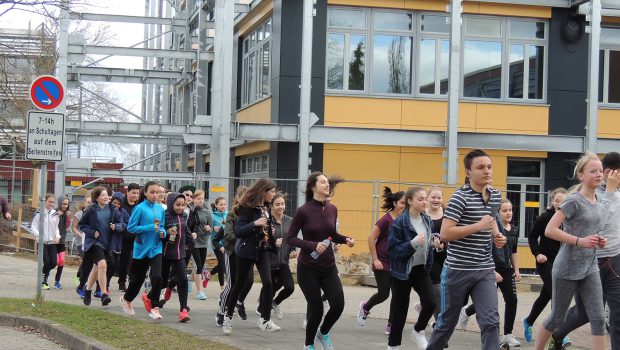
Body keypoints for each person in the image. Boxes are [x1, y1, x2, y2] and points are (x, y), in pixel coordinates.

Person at [535, 152, 619, 350]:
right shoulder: (573, 201)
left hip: (590, 267)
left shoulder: (598, 199)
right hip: (567, 267)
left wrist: (598, 240)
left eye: (600, 171)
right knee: (557, 317)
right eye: (593, 171)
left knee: (598, 318)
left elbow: (594, 227)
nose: (599, 174)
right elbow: (550, 230)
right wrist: (581, 241)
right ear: (581, 176)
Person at [426, 149, 506, 350]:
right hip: (457, 270)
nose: (487, 171)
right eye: (480, 167)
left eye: (489, 167)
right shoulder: (459, 198)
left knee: (491, 322)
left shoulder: (495, 196)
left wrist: (497, 236)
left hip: (484, 269)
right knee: (446, 323)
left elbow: (491, 219)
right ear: (468, 172)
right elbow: (445, 234)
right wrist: (478, 227)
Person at [287, 172, 355, 350]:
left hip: (329, 266)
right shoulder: (303, 211)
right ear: (313, 187)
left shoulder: (332, 209)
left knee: (338, 304)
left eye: (327, 182)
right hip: (308, 268)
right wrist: (312, 245)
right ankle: (308, 345)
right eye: (323, 182)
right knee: (316, 309)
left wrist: (346, 239)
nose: (327, 185)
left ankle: (323, 332)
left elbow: (332, 234)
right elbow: (291, 238)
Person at [456, 199, 521, 347]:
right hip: (490, 268)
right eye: (504, 210)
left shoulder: (514, 229)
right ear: (498, 213)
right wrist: (492, 271)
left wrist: (516, 269)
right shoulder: (492, 230)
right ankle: (466, 311)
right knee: (489, 303)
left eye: (510, 210)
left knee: (512, 300)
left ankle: (507, 335)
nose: (508, 213)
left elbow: (514, 252)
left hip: (506, 269)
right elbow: (485, 251)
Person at [222, 178, 280, 334]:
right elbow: (239, 231)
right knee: (239, 284)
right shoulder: (245, 208)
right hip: (246, 251)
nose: (273, 195)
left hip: (262, 250)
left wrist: (270, 231)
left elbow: (264, 229)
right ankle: (227, 316)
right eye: (272, 191)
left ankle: (265, 320)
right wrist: (255, 223)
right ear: (263, 191)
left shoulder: (267, 208)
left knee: (268, 283)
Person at [386, 187, 437, 350]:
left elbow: (427, 242)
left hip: (421, 269)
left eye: (425, 199)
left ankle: (418, 331)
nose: (424, 202)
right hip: (402, 272)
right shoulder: (399, 223)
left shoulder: (427, 220)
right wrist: (412, 244)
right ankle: (393, 346)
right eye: (420, 199)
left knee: (430, 302)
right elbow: (392, 251)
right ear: (409, 201)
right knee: (400, 310)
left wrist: (434, 244)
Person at [521, 188, 570, 346]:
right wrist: (537, 254)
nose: (559, 204)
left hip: (560, 262)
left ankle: (528, 321)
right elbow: (532, 236)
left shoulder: (569, 218)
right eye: (557, 201)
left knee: (546, 296)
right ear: (552, 202)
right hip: (544, 261)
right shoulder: (545, 217)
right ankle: (559, 332)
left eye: (562, 202)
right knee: (557, 293)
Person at [357, 186, 405, 335]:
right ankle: (365, 307)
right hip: (382, 261)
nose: (405, 206)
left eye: (407, 203)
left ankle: (391, 324)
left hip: (398, 262)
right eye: (403, 203)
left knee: (397, 296)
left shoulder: (406, 219)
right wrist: (375, 259)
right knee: (384, 294)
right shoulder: (386, 219)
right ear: (395, 203)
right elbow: (371, 237)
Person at [119, 181, 167, 320]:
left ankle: (154, 306)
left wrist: (163, 232)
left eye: (157, 192)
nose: (155, 195)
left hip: (156, 247)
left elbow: (161, 226)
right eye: (152, 192)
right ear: (145, 193)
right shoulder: (139, 208)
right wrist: (149, 227)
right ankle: (126, 299)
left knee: (157, 276)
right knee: (137, 281)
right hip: (141, 248)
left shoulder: (160, 209)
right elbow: (131, 228)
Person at [78, 187, 124, 306]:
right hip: (94, 243)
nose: (106, 197)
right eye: (103, 195)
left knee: (97, 267)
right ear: (97, 197)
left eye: (107, 195)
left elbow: (122, 224)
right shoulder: (91, 209)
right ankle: (104, 294)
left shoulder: (113, 209)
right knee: (103, 265)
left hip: (107, 244)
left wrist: (116, 227)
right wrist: (92, 232)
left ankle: (87, 290)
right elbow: (82, 224)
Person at [216, 186, 254, 327]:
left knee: (249, 280)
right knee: (232, 284)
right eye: (244, 197)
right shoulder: (232, 214)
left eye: (249, 198)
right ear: (238, 199)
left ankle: (239, 302)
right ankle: (221, 311)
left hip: (246, 253)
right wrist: (243, 239)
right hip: (232, 252)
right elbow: (227, 235)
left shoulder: (252, 214)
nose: (247, 201)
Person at [160, 192, 194, 322]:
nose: (180, 208)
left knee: (183, 279)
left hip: (179, 254)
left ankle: (183, 309)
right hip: (165, 253)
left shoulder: (184, 216)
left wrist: (191, 242)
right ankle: (152, 297)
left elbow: (185, 230)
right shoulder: (165, 215)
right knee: (162, 280)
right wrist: (167, 234)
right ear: (170, 204)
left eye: (182, 205)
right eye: (177, 205)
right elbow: (160, 232)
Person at [268, 192, 295, 320]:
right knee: (269, 289)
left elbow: (292, 238)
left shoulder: (290, 220)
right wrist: (274, 242)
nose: (280, 207)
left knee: (290, 287)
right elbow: (261, 239)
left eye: (282, 204)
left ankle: (275, 302)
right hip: (269, 261)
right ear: (272, 206)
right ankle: (264, 316)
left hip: (283, 261)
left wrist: (293, 249)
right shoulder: (268, 220)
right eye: (277, 204)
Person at [187, 189, 212, 300]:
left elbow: (211, 228)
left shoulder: (207, 212)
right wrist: (190, 234)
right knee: (198, 266)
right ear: (193, 199)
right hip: (193, 243)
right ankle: (200, 292)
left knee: (200, 266)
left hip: (203, 242)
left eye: (202, 198)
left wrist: (209, 228)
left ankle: (189, 279)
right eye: (198, 198)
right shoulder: (190, 211)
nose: (201, 200)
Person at [32, 193, 60, 290]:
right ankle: (44, 281)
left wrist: (57, 236)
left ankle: (43, 274)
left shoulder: (55, 214)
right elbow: (33, 226)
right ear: (45, 202)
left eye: (53, 202)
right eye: (49, 202)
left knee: (53, 263)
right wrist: (39, 236)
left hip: (52, 242)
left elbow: (56, 228)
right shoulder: (39, 213)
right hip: (42, 242)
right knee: (47, 262)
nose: (51, 204)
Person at [118, 183, 140, 292]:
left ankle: (132, 280)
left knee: (134, 260)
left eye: (137, 193)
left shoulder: (138, 206)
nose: (135, 195)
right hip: (124, 237)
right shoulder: (122, 204)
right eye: (133, 193)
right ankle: (121, 282)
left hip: (136, 237)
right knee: (124, 260)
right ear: (128, 192)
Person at [107, 192, 129, 291]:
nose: (116, 205)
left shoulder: (123, 212)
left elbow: (127, 224)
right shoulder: (107, 210)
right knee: (110, 263)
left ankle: (107, 282)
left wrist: (117, 227)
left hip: (118, 242)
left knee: (115, 265)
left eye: (118, 203)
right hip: (108, 241)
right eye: (114, 203)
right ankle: (104, 284)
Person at [73, 194, 92, 297]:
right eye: (88, 202)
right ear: (84, 203)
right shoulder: (79, 214)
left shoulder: (94, 213)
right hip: (81, 242)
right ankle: (82, 282)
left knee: (87, 262)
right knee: (86, 261)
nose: (89, 204)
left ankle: (80, 277)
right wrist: (81, 235)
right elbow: (74, 228)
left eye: (91, 202)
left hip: (90, 242)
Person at [209, 197, 228, 291]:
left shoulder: (228, 214)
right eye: (221, 204)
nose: (223, 206)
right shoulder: (212, 216)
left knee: (221, 263)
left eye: (224, 204)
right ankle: (222, 288)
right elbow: (208, 229)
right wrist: (213, 229)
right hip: (216, 243)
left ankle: (209, 274)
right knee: (222, 262)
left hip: (226, 243)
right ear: (216, 205)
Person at [53, 195, 71, 289]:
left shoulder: (67, 214)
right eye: (63, 204)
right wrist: (57, 216)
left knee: (62, 261)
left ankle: (57, 281)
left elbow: (67, 227)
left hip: (62, 240)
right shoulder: (54, 212)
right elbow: (51, 224)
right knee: (53, 262)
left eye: (67, 204)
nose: (65, 206)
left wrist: (68, 218)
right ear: (60, 203)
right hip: (53, 240)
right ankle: (44, 279)